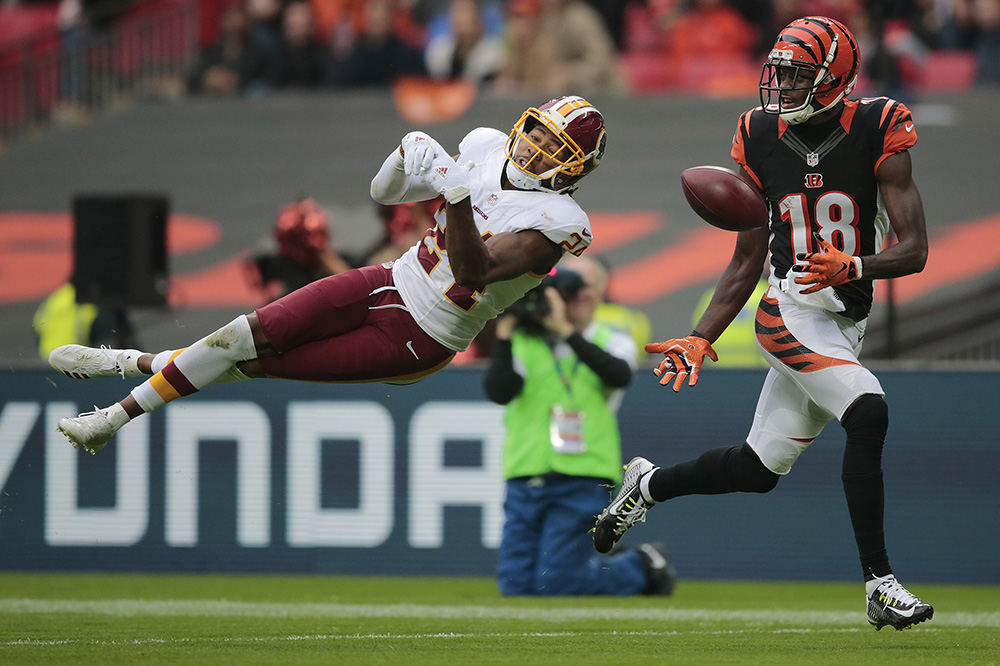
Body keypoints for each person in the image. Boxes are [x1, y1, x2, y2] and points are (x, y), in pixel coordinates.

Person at [592, 16, 934, 631]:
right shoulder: (757, 131)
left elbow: (915, 251)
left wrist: (855, 263)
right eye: (777, 73)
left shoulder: (879, 124)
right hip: (789, 309)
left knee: (756, 471)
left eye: (797, 75)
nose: (778, 88)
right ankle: (880, 584)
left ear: (833, 80)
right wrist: (702, 335)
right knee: (869, 410)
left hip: (842, 318)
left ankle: (646, 487)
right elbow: (748, 256)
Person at [48, 95, 608, 458]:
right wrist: (403, 158)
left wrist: (455, 191)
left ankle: (114, 412)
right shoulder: (484, 147)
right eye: (536, 132)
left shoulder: (557, 223)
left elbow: (472, 269)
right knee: (237, 337)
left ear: (573, 166)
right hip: (388, 279)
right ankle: (124, 367)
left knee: (252, 361)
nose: (534, 147)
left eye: (552, 146)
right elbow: (383, 195)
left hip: (420, 337)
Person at [486, 256, 675, 596]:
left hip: (584, 475)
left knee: (557, 584)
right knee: (515, 586)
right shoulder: (526, 340)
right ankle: (603, 567)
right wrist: (504, 330)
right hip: (526, 469)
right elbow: (499, 391)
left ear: (599, 293)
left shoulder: (612, 340)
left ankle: (641, 567)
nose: (574, 296)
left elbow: (618, 375)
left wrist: (565, 331)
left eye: (582, 288)